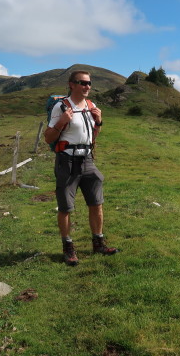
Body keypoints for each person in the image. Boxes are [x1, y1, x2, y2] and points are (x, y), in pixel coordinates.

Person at [44, 70, 118, 266]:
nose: (87, 86)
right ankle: (68, 248)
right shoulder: (61, 107)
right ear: (71, 84)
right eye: (82, 83)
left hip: (87, 160)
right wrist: (61, 122)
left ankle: (98, 243)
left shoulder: (92, 106)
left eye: (89, 83)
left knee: (96, 203)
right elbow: (48, 138)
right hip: (67, 162)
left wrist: (99, 121)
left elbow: (93, 136)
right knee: (66, 207)